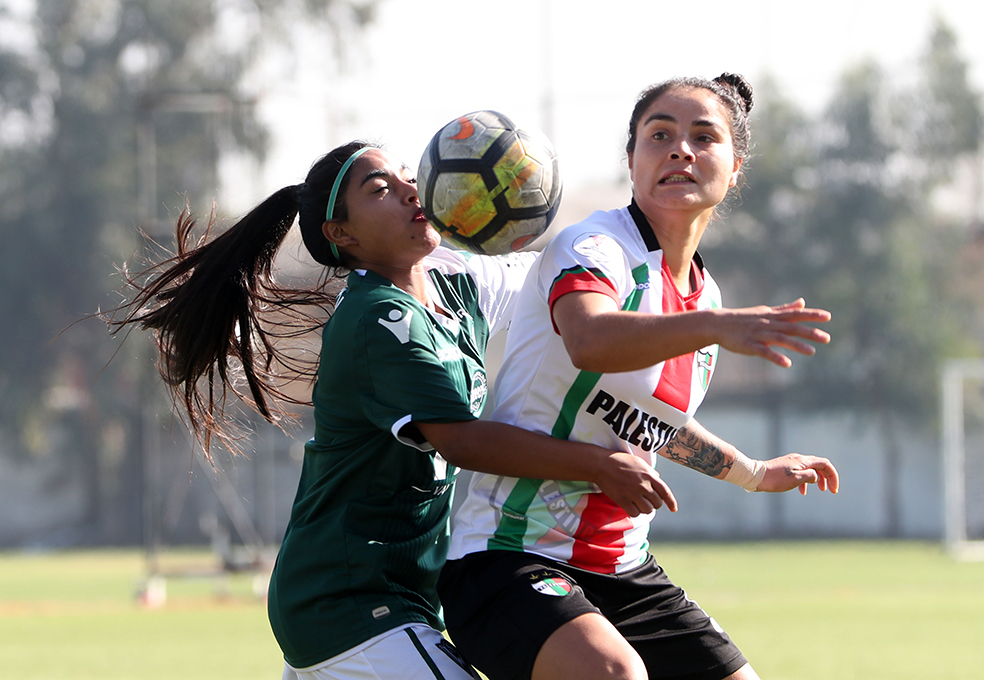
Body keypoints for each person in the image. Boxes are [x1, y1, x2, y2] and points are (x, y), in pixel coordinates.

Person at [108, 141, 679, 680]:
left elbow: (554, 277)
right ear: (342, 233)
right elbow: (463, 441)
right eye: (380, 187)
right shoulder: (380, 318)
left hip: (388, 598)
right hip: (352, 600)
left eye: (409, 176)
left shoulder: (453, 286)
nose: (411, 190)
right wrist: (599, 464)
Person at [438, 74, 841, 680]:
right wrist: (713, 325)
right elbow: (590, 340)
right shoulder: (593, 247)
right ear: (632, 160)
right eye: (660, 134)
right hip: (507, 559)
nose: (681, 148)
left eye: (704, 137)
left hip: (624, 571)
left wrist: (755, 474)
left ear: (734, 172)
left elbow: (656, 426)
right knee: (613, 675)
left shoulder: (705, 293)